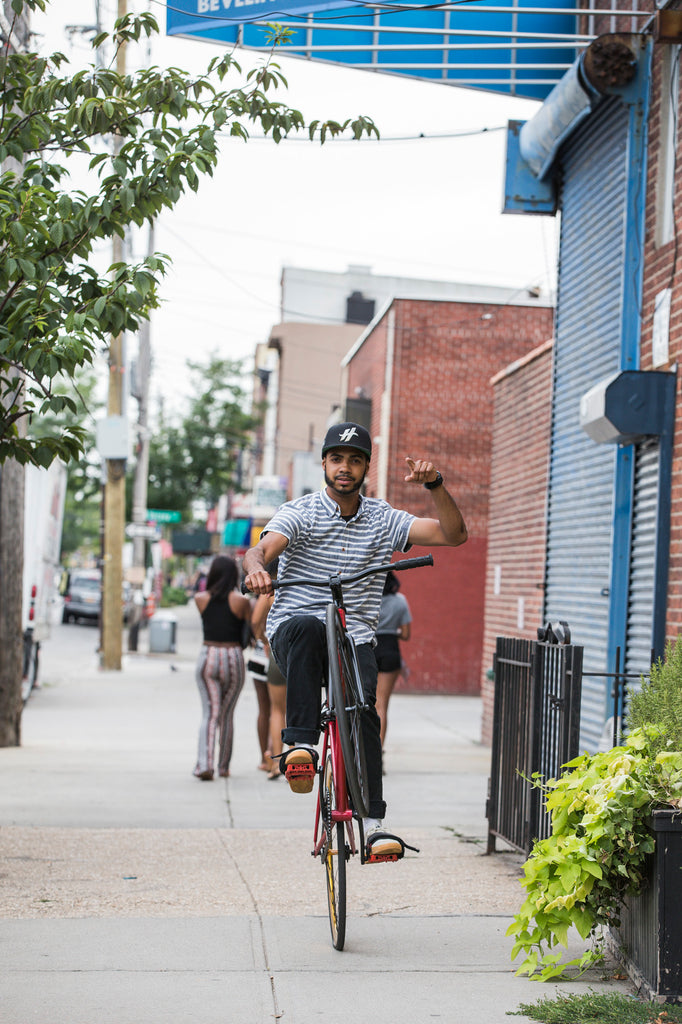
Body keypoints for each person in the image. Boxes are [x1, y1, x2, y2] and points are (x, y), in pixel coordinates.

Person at [243, 421, 467, 858]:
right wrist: (256, 568)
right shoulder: (300, 512)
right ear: (325, 464)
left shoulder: (384, 519)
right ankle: (301, 746)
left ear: (366, 467)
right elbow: (262, 549)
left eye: (355, 460)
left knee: (366, 713)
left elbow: (453, 535)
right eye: (337, 459)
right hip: (296, 630)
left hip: (356, 638)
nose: (345, 468)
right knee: (310, 625)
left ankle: (373, 825)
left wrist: (436, 484)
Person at [193, 555, 251, 781]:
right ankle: (224, 766)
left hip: (208, 656)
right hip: (233, 656)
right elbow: (247, 630)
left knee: (210, 713)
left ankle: (204, 764)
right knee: (226, 715)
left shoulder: (200, 599)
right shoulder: (242, 602)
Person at [375, 570, 412, 749]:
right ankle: (378, 752)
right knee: (381, 705)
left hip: (368, 648)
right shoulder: (400, 600)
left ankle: (363, 750)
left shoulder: (368, 598)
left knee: (365, 703)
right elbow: (405, 634)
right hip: (390, 650)